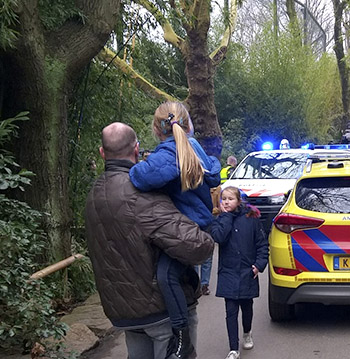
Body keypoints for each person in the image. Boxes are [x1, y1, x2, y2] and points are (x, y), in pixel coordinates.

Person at [85, 122, 214, 359]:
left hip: (123, 313)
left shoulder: (94, 194)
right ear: (137, 149)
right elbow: (197, 246)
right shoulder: (141, 194)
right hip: (162, 312)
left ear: (102, 153)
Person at [129, 101, 221, 359]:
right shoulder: (194, 147)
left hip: (184, 232)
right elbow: (213, 174)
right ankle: (184, 322)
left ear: (158, 131)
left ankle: (179, 336)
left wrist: (136, 165)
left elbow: (141, 178)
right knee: (179, 276)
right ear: (188, 125)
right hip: (199, 228)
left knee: (166, 276)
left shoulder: (169, 153)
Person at [208, 187, 268, 359]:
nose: (226, 202)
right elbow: (218, 237)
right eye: (223, 199)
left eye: (230, 199)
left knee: (247, 307)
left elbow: (262, 245)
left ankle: (247, 332)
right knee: (231, 311)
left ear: (239, 201)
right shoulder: (219, 219)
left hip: (247, 271)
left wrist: (258, 265)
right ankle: (233, 348)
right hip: (228, 272)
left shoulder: (252, 219)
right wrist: (226, 216)